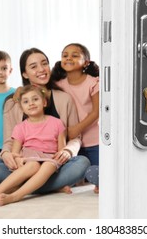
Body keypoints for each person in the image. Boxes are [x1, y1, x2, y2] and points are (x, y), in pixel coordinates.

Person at [0, 48, 90, 194]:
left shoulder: (64, 98)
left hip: (54, 164)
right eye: (33, 66)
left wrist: (68, 151)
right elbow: (9, 141)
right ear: (24, 73)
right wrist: (6, 154)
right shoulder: (13, 102)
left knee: (82, 162)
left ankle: (17, 186)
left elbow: (75, 138)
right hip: (25, 163)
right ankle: (49, 187)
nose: (41, 69)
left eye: (44, 64)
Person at [0, 85, 66, 205]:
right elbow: (15, 152)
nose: (31, 103)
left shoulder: (57, 123)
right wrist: (17, 159)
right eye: (26, 101)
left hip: (50, 159)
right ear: (22, 108)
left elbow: (61, 149)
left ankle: (15, 195)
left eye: (35, 99)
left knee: (48, 166)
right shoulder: (20, 127)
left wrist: (62, 155)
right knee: (33, 165)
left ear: (44, 102)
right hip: (29, 158)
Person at [51, 43, 99, 193]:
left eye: (74, 55)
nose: (68, 58)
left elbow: (97, 112)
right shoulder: (58, 85)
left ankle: (96, 180)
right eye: (65, 55)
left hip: (93, 142)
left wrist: (77, 128)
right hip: (71, 144)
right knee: (71, 174)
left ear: (86, 62)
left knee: (95, 173)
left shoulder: (93, 82)